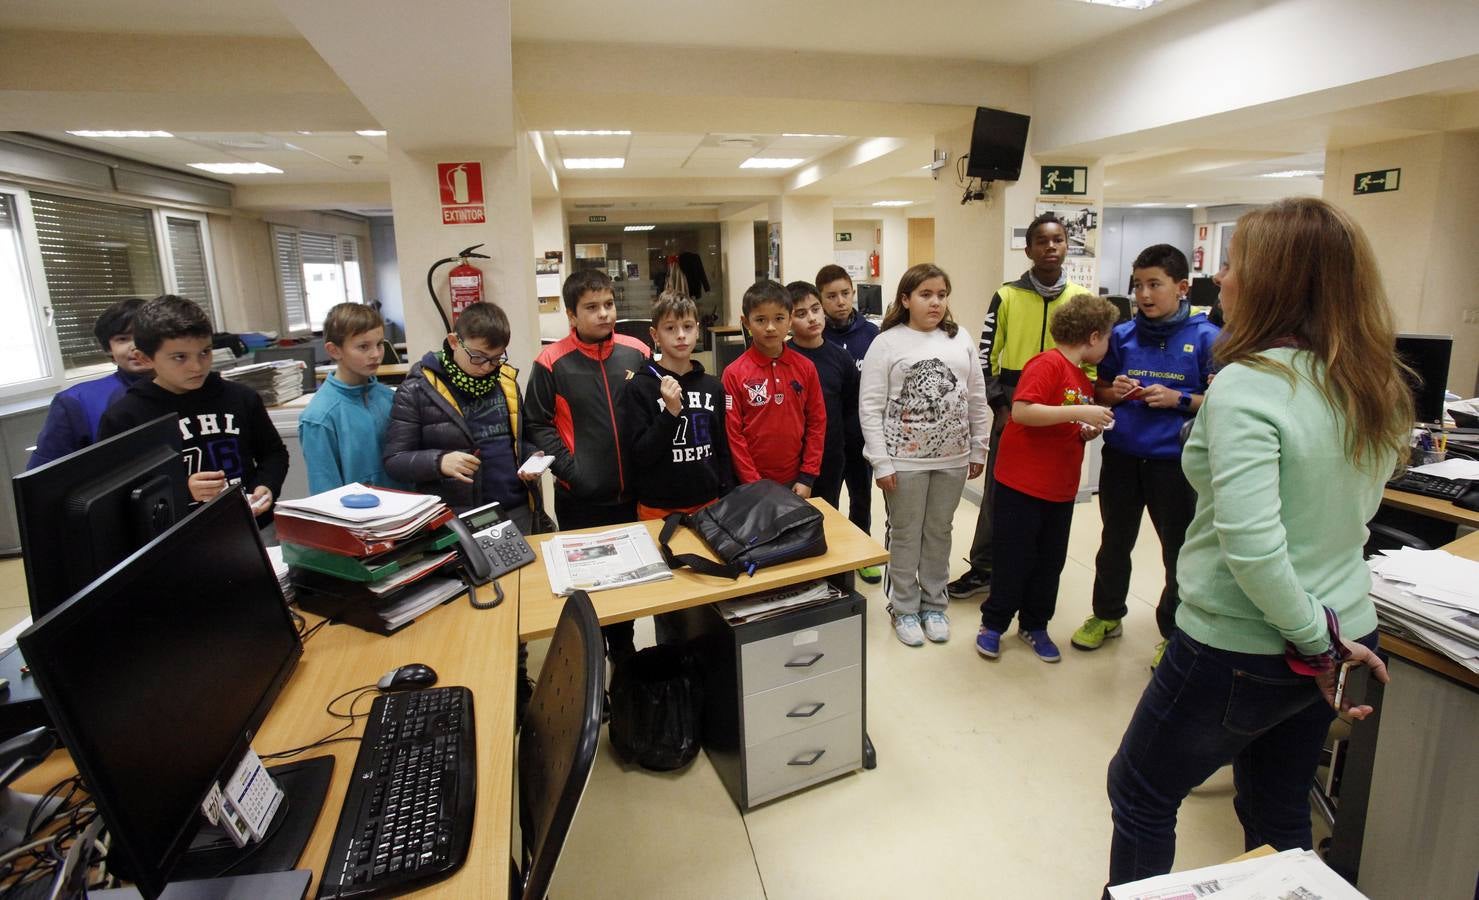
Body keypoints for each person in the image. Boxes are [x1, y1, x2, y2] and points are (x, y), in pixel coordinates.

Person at [1102, 198, 1404, 892]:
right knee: (1275, 807)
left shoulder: (1248, 384)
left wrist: (1314, 645)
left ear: (1275, 282)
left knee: (1140, 791)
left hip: (1249, 643)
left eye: (1233, 266)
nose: (1221, 280)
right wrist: (1327, 641)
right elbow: (1346, 514)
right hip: (1339, 630)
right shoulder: (1372, 382)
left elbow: (1254, 546)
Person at [1072, 245, 1219, 666]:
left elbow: (1223, 403)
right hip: (1122, 457)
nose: (1143, 294)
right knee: (1114, 542)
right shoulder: (1122, 336)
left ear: (1182, 287)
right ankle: (1106, 614)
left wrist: (1180, 399)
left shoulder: (1207, 338)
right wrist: (1111, 394)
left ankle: (1174, 632)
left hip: (1175, 463)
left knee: (1177, 549)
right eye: (1138, 285)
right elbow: (1096, 392)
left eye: (1154, 284)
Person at [948, 213, 1096, 601]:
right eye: (1042, 241)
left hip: (1062, 409)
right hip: (1014, 405)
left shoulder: (1081, 299)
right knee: (1000, 493)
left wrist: (1085, 403)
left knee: (1047, 495)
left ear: (1067, 246)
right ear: (1028, 249)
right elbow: (986, 356)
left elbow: (1094, 360)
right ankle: (984, 567)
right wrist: (999, 405)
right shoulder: (1008, 295)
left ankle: (1031, 572)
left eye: (1059, 240)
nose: (1051, 247)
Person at [975, 294, 1117, 663]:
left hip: (1059, 488)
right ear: (1093, 335)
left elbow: (1063, 418)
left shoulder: (1081, 378)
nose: (1109, 346)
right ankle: (994, 623)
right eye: (1107, 338)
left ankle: (1035, 623)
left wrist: (1083, 427)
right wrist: (1081, 410)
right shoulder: (1047, 363)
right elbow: (1022, 411)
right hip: (1022, 484)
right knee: (1013, 557)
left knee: (1049, 562)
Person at [859, 264, 989, 647]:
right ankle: (902, 606)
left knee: (939, 532)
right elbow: (870, 407)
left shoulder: (960, 338)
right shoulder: (887, 343)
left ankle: (934, 603)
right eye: (925, 294)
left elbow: (976, 399)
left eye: (942, 295)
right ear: (905, 299)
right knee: (905, 534)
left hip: (953, 457)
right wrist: (881, 462)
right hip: (904, 461)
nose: (935, 302)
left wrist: (979, 446)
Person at [526, 270, 651, 664]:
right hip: (581, 498)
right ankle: (593, 661)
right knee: (592, 587)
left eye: (609, 305)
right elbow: (536, 423)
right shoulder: (550, 362)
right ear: (571, 315)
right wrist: (570, 471)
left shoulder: (638, 352)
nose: (604, 314)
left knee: (631, 582)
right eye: (592, 308)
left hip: (634, 494)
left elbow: (653, 412)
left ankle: (624, 654)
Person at [98, 294, 287, 527]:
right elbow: (117, 497)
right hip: (179, 536)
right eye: (180, 357)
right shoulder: (125, 417)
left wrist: (267, 485)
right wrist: (182, 490)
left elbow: (274, 454)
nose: (197, 367)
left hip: (252, 525)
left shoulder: (241, 397)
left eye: (205, 352)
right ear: (145, 358)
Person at [383, 301, 537, 531]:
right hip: (460, 517)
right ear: (454, 341)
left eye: (496, 358)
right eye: (478, 356)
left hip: (516, 508)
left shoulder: (506, 381)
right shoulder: (417, 389)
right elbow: (395, 460)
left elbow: (518, 440)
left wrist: (532, 456)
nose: (487, 366)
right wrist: (439, 462)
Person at [617, 291, 732, 520]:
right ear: (655, 335)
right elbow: (640, 455)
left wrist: (726, 494)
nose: (681, 336)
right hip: (658, 507)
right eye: (670, 328)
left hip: (709, 504)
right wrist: (670, 413)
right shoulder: (640, 387)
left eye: (688, 327)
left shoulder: (713, 386)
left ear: (698, 330)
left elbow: (722, 449)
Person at [722, 279, 825, 496]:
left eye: (779, 318)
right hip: (750, 483)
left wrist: (808, 475)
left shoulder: (806, 367)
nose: (770, 327)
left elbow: (817, 422)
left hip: (796, 480)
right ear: (746, 322)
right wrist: (753, 482)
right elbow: (734, 434)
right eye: (760, 320)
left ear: (789, 320)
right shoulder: (733, 373)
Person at [27, 298, 153, 469]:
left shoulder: (191, 388)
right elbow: (44, 478)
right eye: (123, 339)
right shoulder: (75, 402)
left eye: (143, 337)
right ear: (109, 348)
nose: (135, 347)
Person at [817, 264, 883, 584]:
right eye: (831, 296)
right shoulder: (816, 336)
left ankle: (862, 552)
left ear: (853, 293)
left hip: (861, 434)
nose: (840, 301)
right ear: (820, 300)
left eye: (845, 294)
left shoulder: (872, 334)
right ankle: (828, 555)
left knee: (862, 496)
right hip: (827, 437)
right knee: (826, 499)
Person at [300, 301, 404, 494]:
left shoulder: (391, 398)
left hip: (408, 514)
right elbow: (325, 493)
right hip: (357, 519)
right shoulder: (319, 417)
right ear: (334, 350)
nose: (375, 355)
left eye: (380, 344)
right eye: (363, 347)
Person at [785, 280, 862, 513]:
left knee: (828, 517)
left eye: (816, 309)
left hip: (831, 454)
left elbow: (850, 408)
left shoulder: (841, 358)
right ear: (788, 320)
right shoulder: (784, 358)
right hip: (793, 458)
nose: (812, 318)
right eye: (801, 313)